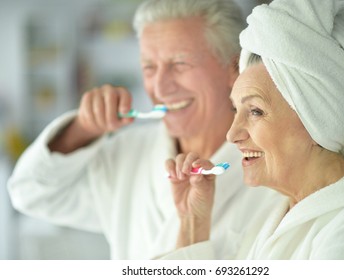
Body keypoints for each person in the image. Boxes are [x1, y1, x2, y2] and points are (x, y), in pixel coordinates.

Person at [7, 0, 286, 259]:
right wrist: (82, 128)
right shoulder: (126, 155)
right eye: (149, 67)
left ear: (234, 68)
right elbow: (29, 193)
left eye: (179, 64)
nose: (161, 88)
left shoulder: (277, 167)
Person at [163, 0, 344, 259]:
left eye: (255, 112)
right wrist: (193, 223)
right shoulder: (275, 214)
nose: (232, 135)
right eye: (236, 110)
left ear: (315, 118)